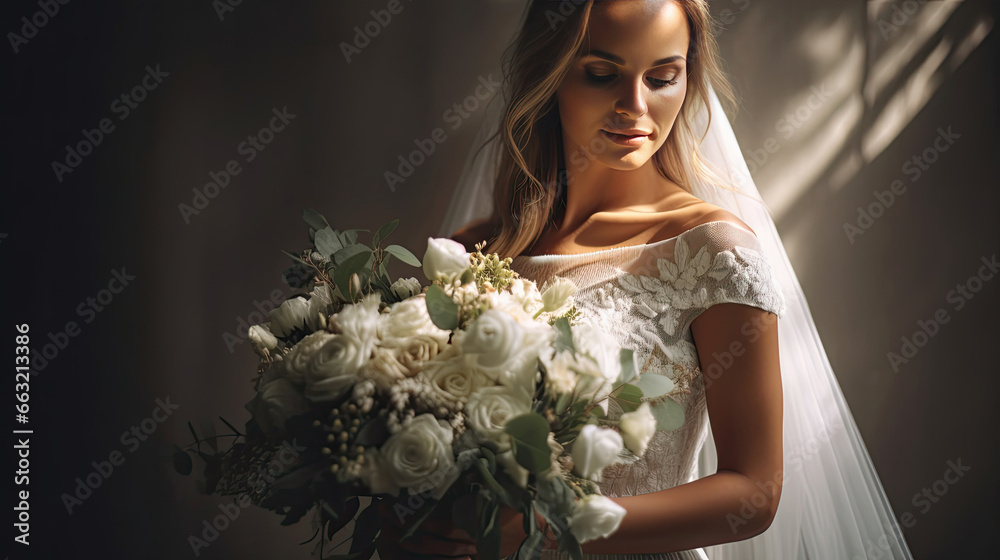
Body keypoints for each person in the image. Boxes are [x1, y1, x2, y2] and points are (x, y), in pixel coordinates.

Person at [380, 1, 914, 558]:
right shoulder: (472, 251)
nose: (635, 106)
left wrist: (551, 522)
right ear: (551, 73)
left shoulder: (712, 251)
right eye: (602, 74)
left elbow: (754, 492)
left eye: (662, 77)